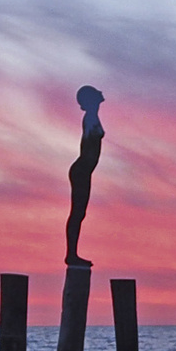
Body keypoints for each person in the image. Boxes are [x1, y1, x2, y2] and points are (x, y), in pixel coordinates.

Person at [65, 85, 105, 267]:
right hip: (82, 171)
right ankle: (71, 254)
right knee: (77, 213)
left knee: (80, 214)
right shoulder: (90, 119)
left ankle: (72, 253)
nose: (101, 92)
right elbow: (88, 147)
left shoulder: (92, 117)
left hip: (84, 171)